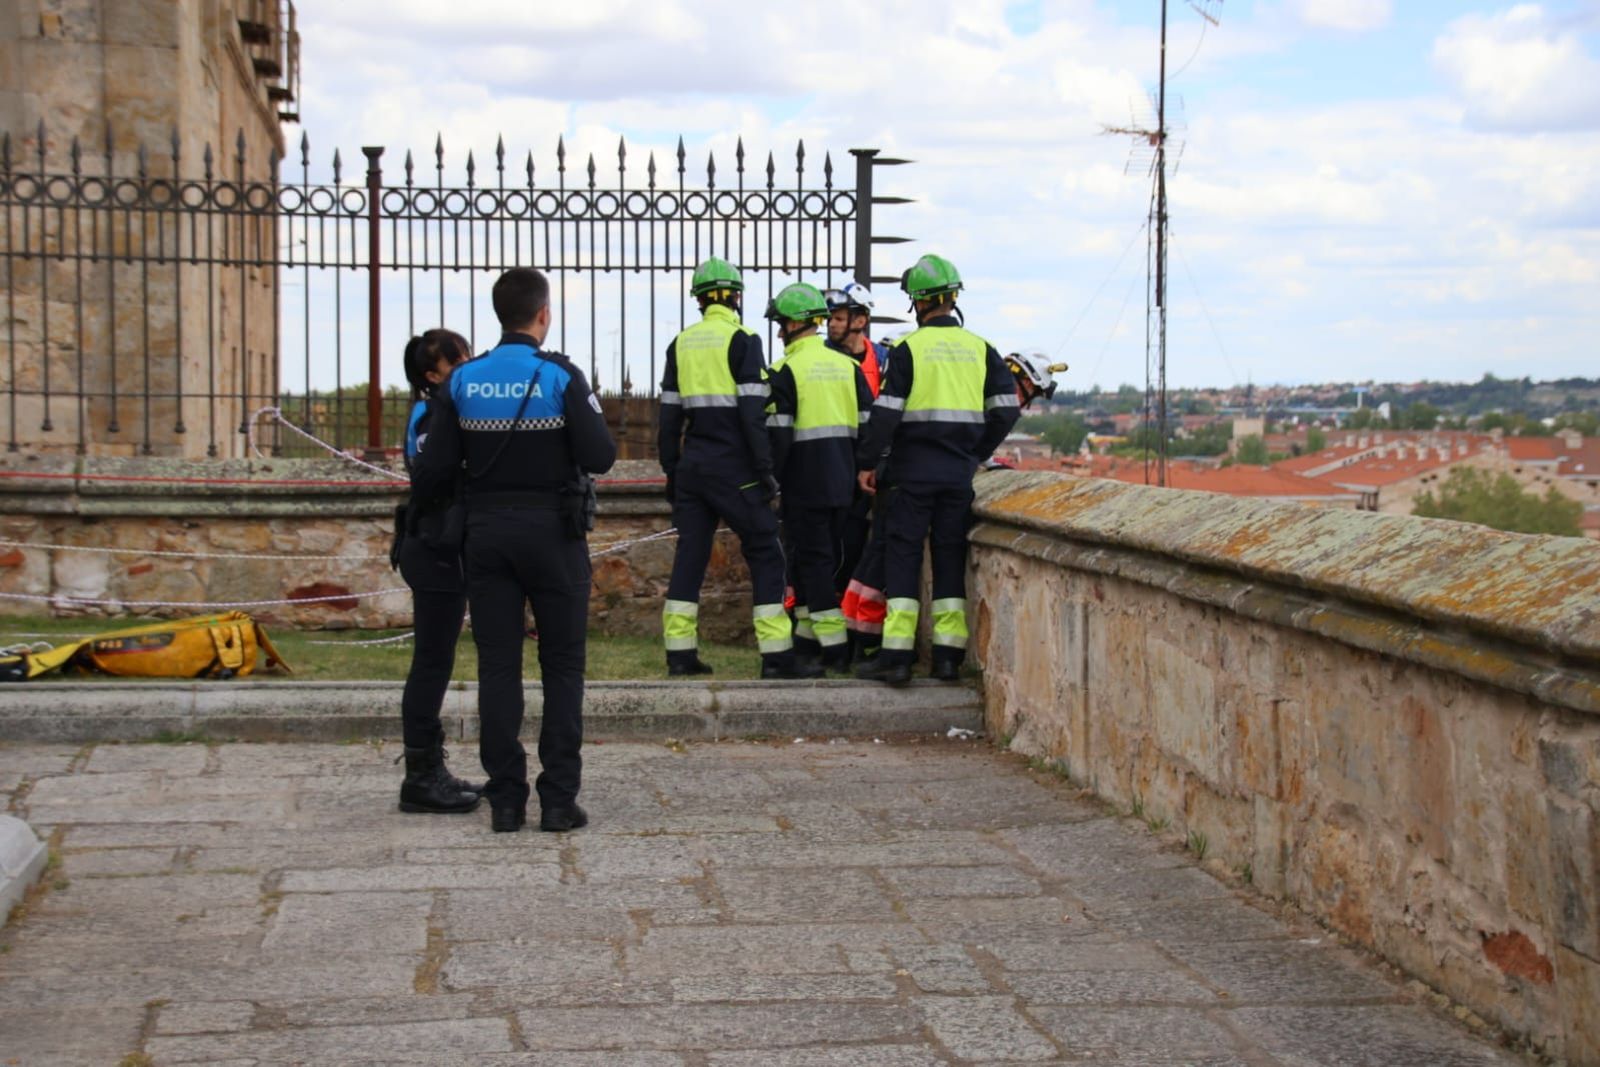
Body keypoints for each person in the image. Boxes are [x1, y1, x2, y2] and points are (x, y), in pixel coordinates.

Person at [412, 268, 616, 833]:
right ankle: (557, 800)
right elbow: (601, 455)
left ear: (499, 314)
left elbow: (433, 467)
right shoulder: (560, 375)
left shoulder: (464, 380)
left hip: (487, 535)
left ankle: (505, 798)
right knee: (563, 667)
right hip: (555, 535)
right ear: (543, 314)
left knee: (498, 666)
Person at [854, 255, 1022, 686]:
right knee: (950, 560)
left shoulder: (909, 349)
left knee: (903, 558)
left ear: (917, 302)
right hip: (957, 476)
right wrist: (976, 451)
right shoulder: (981, 348)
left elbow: (886, 414)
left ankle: (896, 658)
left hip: (911, 474)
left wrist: (868, 462)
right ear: (953, 299)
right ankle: (948, 658)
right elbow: (1005, 410)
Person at [657, 257, 820, 680]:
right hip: (736, 467)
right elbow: (752, 414)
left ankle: (679, 654)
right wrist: (766, 471)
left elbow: (669, 418)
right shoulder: (744, 339)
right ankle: (777, 656)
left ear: (698, 300)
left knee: (689, 557)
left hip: (693, 466)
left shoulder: (681, 343)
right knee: (766, 551)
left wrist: (673, 472)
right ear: (736, 296)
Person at [763, 282, 874, 672]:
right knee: (821, 561)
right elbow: (867, 427)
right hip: (844, 482)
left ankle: (835, 648)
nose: (778, 333)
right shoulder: (849, 366)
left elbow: (777, 439)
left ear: (796, 324)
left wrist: (769, 483)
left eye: (781, 324)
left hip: (802, 482)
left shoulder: (783, 371)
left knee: (812, 564)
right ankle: (807, 643)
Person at [393, 328, 480, 815]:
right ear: (432, 375)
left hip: (439, 546)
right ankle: (421, 777)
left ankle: (430, 769)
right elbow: (436, 474)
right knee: (431, 662)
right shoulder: (431, 416)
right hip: (433, 548)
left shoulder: (440, 411)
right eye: (458, 360)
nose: (467, 364)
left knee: (437, 660)